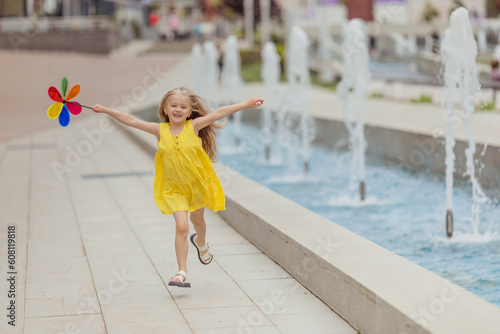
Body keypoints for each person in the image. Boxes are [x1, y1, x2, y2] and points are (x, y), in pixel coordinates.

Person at [92, 87, 264, 288]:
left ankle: (201, 243)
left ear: (190, 112)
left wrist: (246, 103)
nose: (178, 109)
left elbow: (218, 113)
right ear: (165, 109)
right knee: (181, 226)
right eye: (173, 105)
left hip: (196, 186)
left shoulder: (194, 127)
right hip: (173, 189)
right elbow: (131, 120)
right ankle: (182, 271)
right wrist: (106, 110)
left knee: (197, 220)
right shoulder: (159, 130)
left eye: (183, 107)